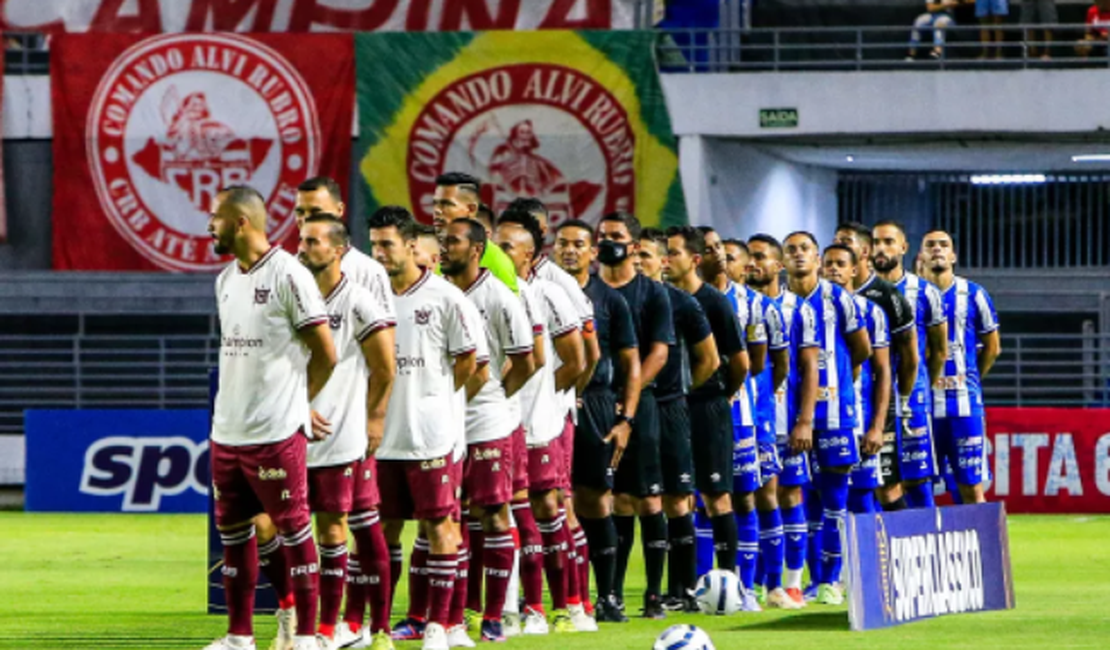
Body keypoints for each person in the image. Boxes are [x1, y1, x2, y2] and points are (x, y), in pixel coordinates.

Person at [206, 185, 338, 650]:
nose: (209, 225)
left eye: (216, 217)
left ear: (241, 222)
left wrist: (299, 403)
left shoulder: (289, 275)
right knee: (235, 533)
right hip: (227, 431)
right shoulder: (225, 279)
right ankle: (239, 637)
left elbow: (326, 352)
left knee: (292, 528)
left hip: (276, 432)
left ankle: (305, 635)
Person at [368, 206, 482, 650]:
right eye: (374, 244)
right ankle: (378, 628)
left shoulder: (446, 298)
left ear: (412, 245)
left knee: (439, 528)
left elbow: (468, 362)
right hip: (381, 439)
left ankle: (439, 625)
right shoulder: (367, 294)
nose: (378, 253)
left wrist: (434, 400)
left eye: (387, 244)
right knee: (381, 531)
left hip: (430, 436)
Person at [293, 178, 398, 650]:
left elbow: (384, 359)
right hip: (293, 426)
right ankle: (305, 623)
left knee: (356, 520)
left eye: (312, 225)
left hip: (345, 427)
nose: (301, 236)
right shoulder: (289, 280)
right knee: (284, 526)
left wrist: (375, 417)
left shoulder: (363, 283)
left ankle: (365, 626)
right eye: (298, 220)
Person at [442, 219, 538, 643]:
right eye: (442, 241)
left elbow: (527, 361)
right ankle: (456, 612)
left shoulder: (500, 297)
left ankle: (495, 615)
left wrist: (497, 396)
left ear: (476, 249)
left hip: (487, 421)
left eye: (454, 241)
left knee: (495, 512)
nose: (445, 248)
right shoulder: (439, 292)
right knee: (449, 517)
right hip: (442, 419)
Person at [506, 198, 602, 623]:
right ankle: (520, 604)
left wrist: (556, 394)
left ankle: (573, 601)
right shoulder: (487, 287)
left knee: (555, 505)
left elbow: (586, 354)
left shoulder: (555, 284)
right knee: (510, 507)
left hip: (550, 415)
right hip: (503, 417)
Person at [553, 218, 641, 623]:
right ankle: (564, 598)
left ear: (593, 252)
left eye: (578, 244)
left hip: (597, 406)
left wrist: (626, 419)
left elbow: (631, 365)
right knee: (552, 502)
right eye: (562, 243)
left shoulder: (609, 300)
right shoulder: (542, 291)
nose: (569, 250)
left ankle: (607, 595)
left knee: (595, 501)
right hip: (551, 403)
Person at [783, 232, 871, 607]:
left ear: (816, 258)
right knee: (794, 496)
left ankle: (829, 579)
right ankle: (794, 579)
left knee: (834, 496)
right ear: (783, 260)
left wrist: (839, 384)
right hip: (787, 414)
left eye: (805, 249)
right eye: (791, 250)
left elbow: (862, 349)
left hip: (834, 412)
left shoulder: (841, 300)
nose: (798, 255)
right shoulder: (779, 302)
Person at [595, 212, 674, 620]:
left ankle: (655, 595)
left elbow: (659, 351)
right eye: (603, 235)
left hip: (640, 406)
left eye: (617, 236)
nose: (609, 242)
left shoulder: (652, 293)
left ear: (634, 244)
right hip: (594, 405)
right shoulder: (587, 291)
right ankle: (612, 592)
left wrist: (629, 393)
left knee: (648, 498)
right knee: (614, 499)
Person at [638, 228, 719, 612]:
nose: (639, 263)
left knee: (676, 500)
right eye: (635, 256)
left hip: (669, 409)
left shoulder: (681, 303)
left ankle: (683, 589)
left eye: (647, 257)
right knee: (629, 500)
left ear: (663, 261)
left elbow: (711, 359)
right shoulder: (622, 298)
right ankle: (642, 592)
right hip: (631, 408)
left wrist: (682, 391)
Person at [665, 226, 747, 603]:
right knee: (677, 496)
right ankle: (680, 588)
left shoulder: (714, 302)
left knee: (717, 497)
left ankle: (728, 584)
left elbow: (741, 362)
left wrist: (714, 394)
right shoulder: (663, 299)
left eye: (674, 253)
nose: (667, 260)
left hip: (707, 406)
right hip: (676, 408)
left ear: (694, 260)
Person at [746, 234, 819, 608]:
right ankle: (753, 583)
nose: (753, 264)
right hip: (749, 417)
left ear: (778, 266)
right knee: (749, 497)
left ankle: (789, 584)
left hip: (784, 418)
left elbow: (809, 367)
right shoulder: (742, 305)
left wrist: (804, 419)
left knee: (787, 494)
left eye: (761, 257)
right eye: (749, 257)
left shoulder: (798, 310)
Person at [698, 226, 763, 611]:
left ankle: (746, 588)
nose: (718, 254)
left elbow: (759, 360)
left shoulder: (750, 303)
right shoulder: (681, 298)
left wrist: (728, 390)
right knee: (698, 501)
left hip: (739, 414)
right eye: (708, 248)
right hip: (696, 413)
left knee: (744, 496)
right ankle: (704, 584)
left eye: (720, 246)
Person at [832, 223, 919, 512]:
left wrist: (901, 400)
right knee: (838, 485)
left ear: (863, 252)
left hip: (875, 401)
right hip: (836, 403)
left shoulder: (885, 297)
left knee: (887, 484)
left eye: (845, 242)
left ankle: (899, 554)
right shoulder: (823, 300)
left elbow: (909, 356)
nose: (839, 248)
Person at [920, 230, 1001, 504]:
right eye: (930, 245)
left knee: (971, 488)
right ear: (921, 255)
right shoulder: (911, 295)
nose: (937, 249)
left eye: (944, 245)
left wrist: (971, 377)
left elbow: (993, 347)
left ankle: (980, 546)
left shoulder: (974, 294)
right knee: (918, 487)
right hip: (922, 408)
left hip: (964, 407)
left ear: (953, 255)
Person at [872, 221, 949, 510]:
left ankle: (926, 546)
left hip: (912, 398)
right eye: (877, 242)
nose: (882, 248)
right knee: (876, 477)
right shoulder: (859, 291)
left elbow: (939, 351)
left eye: (889, 242)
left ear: (903, 248)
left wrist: (920, 387)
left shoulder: (926, 292)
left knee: (917, 477)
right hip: (871, 396)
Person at [821, 244, 891, 516]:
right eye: (829, 264)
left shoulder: (872, 312)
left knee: (862, 499)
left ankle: (870, 559)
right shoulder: (807, 310)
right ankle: (827, 560)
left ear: (854, 269)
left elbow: (883, 371)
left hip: (859, 419)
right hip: (820, 421)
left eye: (840, 263)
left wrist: (877, 426)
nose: (834, 269)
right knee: (820, 500)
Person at [432, 172, 519, 293]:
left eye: (446, 204)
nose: (437, 210)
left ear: (471, 209)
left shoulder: (498, 263)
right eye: (435, 203)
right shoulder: (431, 254)